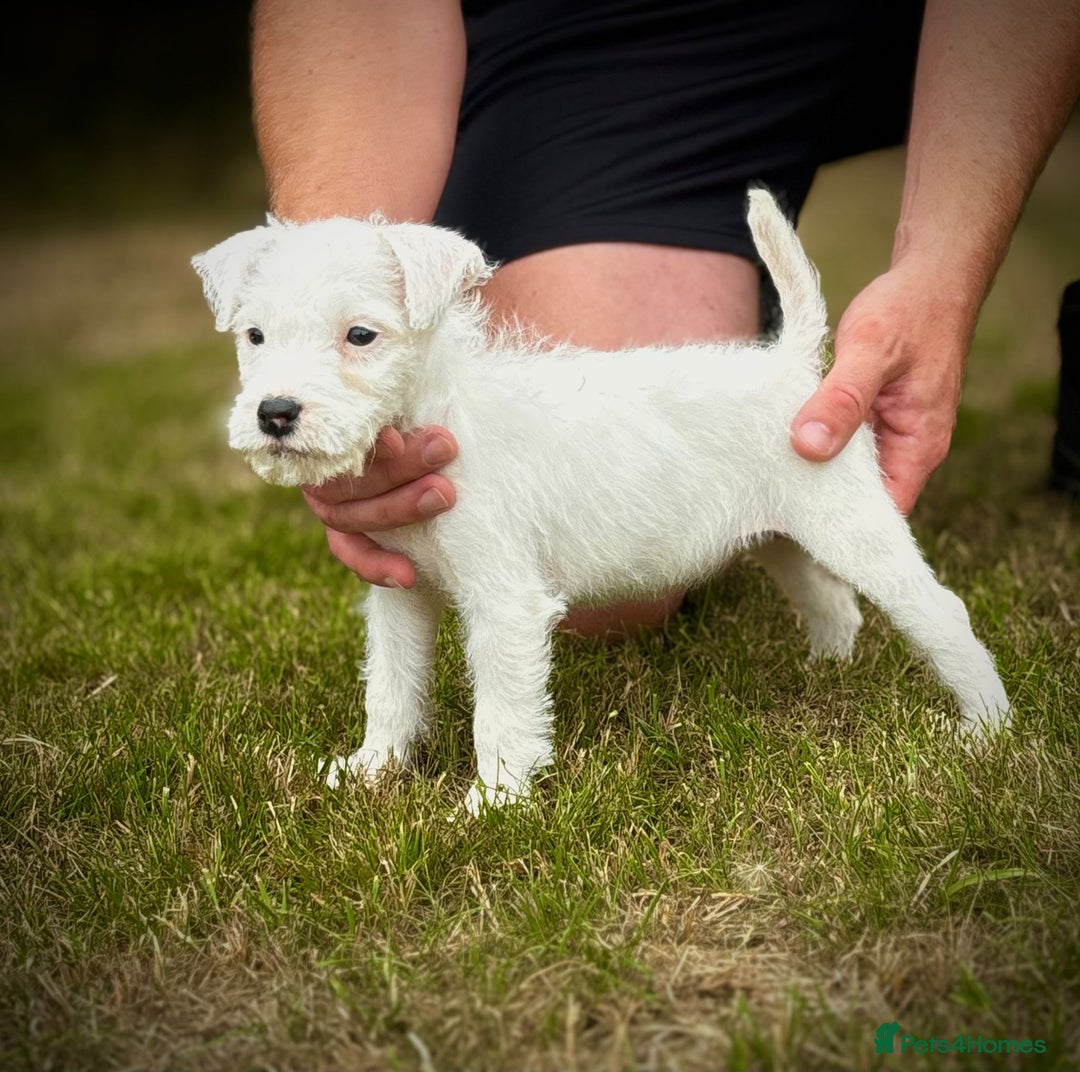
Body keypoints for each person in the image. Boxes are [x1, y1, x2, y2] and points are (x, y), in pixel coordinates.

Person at [251, 0, 1080, 637]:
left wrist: (943, 273)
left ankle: (741, 359)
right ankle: (724, 327)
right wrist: (329, 314)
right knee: (596, 595)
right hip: (615, 39)